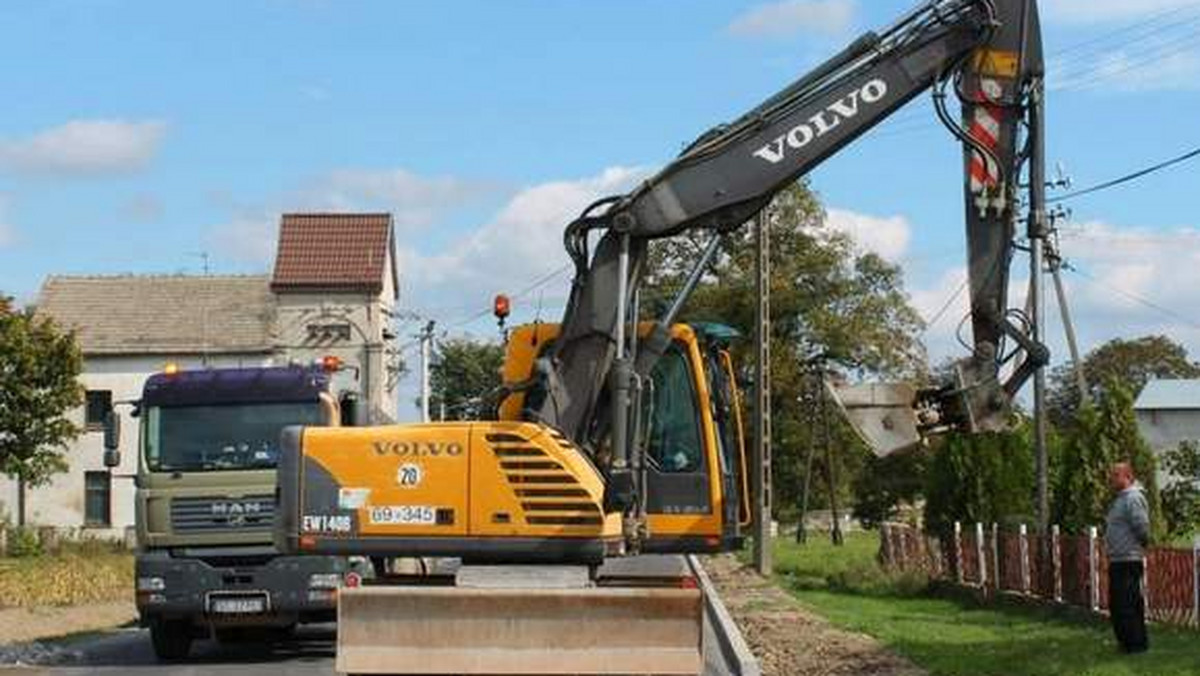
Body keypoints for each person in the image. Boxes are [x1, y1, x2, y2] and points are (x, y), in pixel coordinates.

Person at [1104, 461, 1150, 654]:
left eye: (1115, 476)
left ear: (1127, 477)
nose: (1111, 480)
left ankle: (1135, 645)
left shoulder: (1133, 498)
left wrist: (1141, 545)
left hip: (1128, 559)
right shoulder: (1120, 499)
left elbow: (1141, 526)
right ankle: (1126, 642)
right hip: (1118, 559)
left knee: (1127, 603)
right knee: (1118, 604)